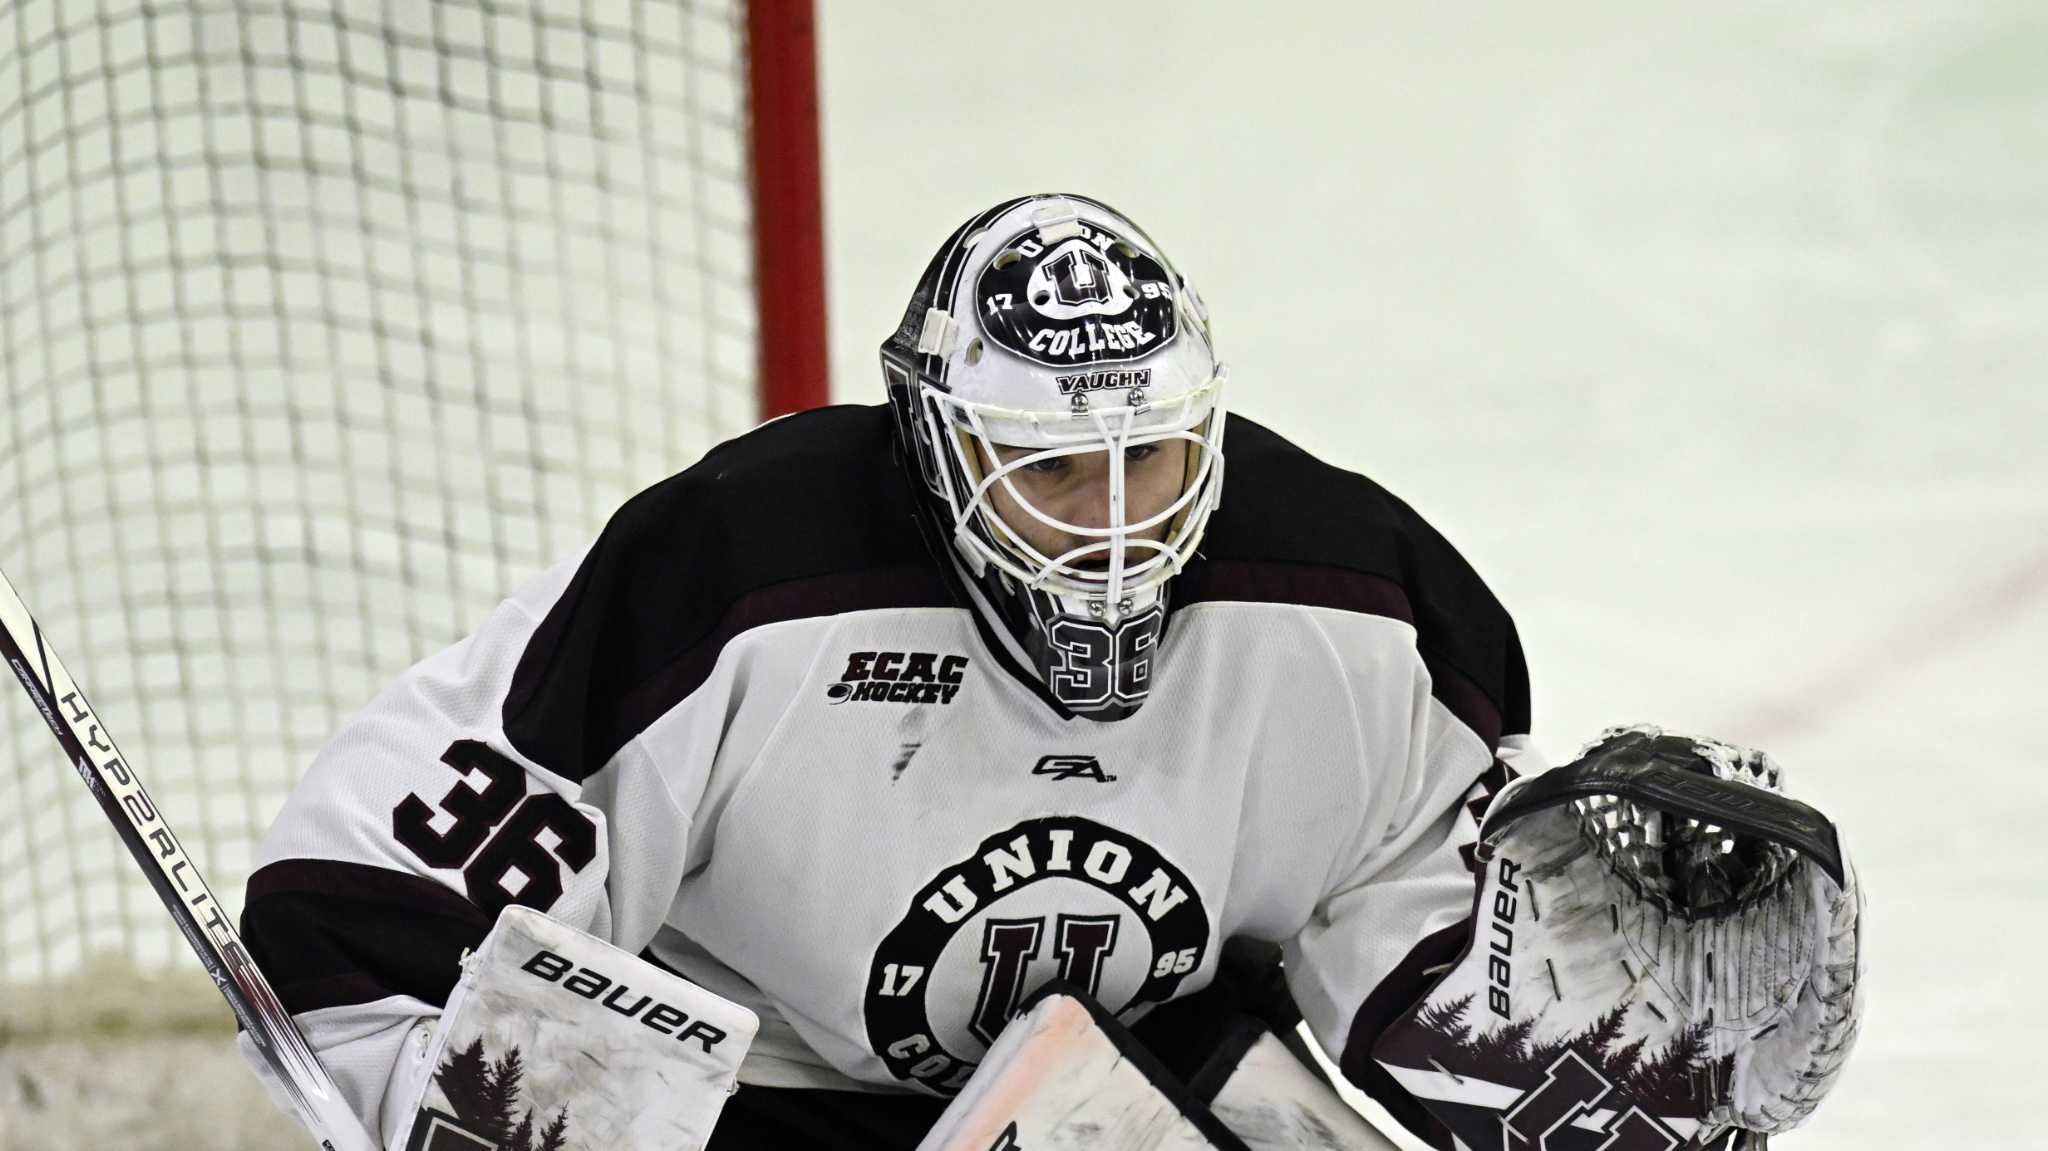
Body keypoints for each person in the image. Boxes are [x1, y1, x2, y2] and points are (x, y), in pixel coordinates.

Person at [236, 194, 1768, 1149]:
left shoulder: (1354, 606)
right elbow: (366, 906)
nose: (1114, 523)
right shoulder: (740, 575)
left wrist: (1591, 1059)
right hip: (763, 1097)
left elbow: (1409, 932)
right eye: (1050, 467)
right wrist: (442, 1091)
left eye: (1148, 456)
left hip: (1135, 1081)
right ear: (938, 441)